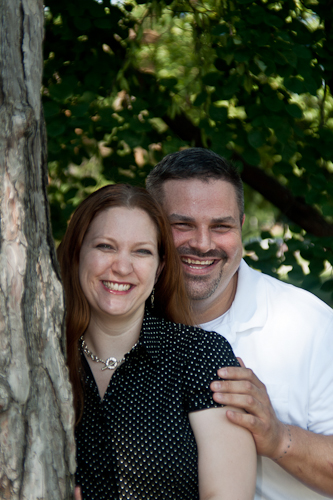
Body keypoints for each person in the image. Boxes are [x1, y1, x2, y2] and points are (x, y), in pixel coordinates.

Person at [146, 148, 333, 500]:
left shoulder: (309, 327)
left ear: (242, 226)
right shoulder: (123, 326)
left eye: (221, 226)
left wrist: (279, 438)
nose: (202, 244)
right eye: (182, 224)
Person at [57, 184, 256, 500]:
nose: (122, 267)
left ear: (160, 267)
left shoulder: (201, 357)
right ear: (77, 253)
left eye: (142, 251)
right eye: (106, 246)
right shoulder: (40, 360)